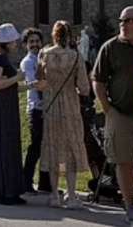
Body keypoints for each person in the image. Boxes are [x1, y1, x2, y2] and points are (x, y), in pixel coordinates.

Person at [91, 5, 133, 226]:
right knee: (123, 161)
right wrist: (108, 109)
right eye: (120, 21)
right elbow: (98, 80)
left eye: (126, 21)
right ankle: (130, 206)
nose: (122, 25)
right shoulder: (111, 47)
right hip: (120, 113)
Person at [38, 21, 90, 209]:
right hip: (70, 105)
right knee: (70, 148)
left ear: (53, 35)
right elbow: (84, 88)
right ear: (69, 35)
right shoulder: (75, 57)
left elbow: (40, 80)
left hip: (50, 105)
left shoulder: (44, 54)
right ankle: (72, 194)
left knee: (53, 147)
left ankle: (54, 194)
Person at [0, 23, 26, 205]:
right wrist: (17, 77)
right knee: (4, 145)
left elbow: (7, 84)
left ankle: (10, 190)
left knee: (9, 145)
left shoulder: (1, 57)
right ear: (7, 42)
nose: (16, 43)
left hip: (6, 104)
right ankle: (4, 191)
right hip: (2, 107)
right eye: (14, 41)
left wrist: (26, 84)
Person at [19, 27, 51, 194]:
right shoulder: (28, 62)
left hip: (48, 108)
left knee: (46, 146)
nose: (35, 44)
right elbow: (36, 83)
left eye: (37, 41)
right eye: (31, 42)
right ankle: (26, 181)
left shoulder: (44, 59)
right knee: (36, 146)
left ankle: (45, 182)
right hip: (36, 109)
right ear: (26, 44)